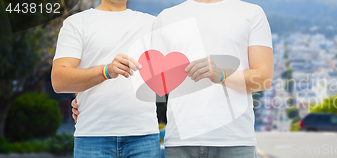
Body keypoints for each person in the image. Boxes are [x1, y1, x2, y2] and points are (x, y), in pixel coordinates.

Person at [151, 0, 274, 157]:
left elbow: (264, 78)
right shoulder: (165, 17)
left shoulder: (252, 13)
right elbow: (158, 83)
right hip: (180, 142)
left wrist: (221, 75)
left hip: (235, 142)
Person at [51, 0, 161, 157]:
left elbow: (181, 66)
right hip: (92, 137)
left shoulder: (153, 24)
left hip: (143, 136)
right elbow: (59, 80)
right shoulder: (76, 23)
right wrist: (106, 71)